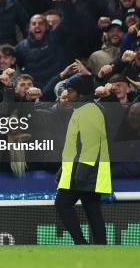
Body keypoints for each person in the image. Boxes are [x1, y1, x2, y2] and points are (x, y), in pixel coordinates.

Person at [55, 74, 110, 245]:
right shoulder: (86, 109)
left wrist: (79, 174)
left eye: (71, 91)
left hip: (83, 170)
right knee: (92, 209)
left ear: (81, 93)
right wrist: (63, 169)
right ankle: (100, 247)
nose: (67, 94)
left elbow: (90, 146)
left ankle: (80, 243)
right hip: (88, 170)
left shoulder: (87, 111)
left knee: (62, 203)